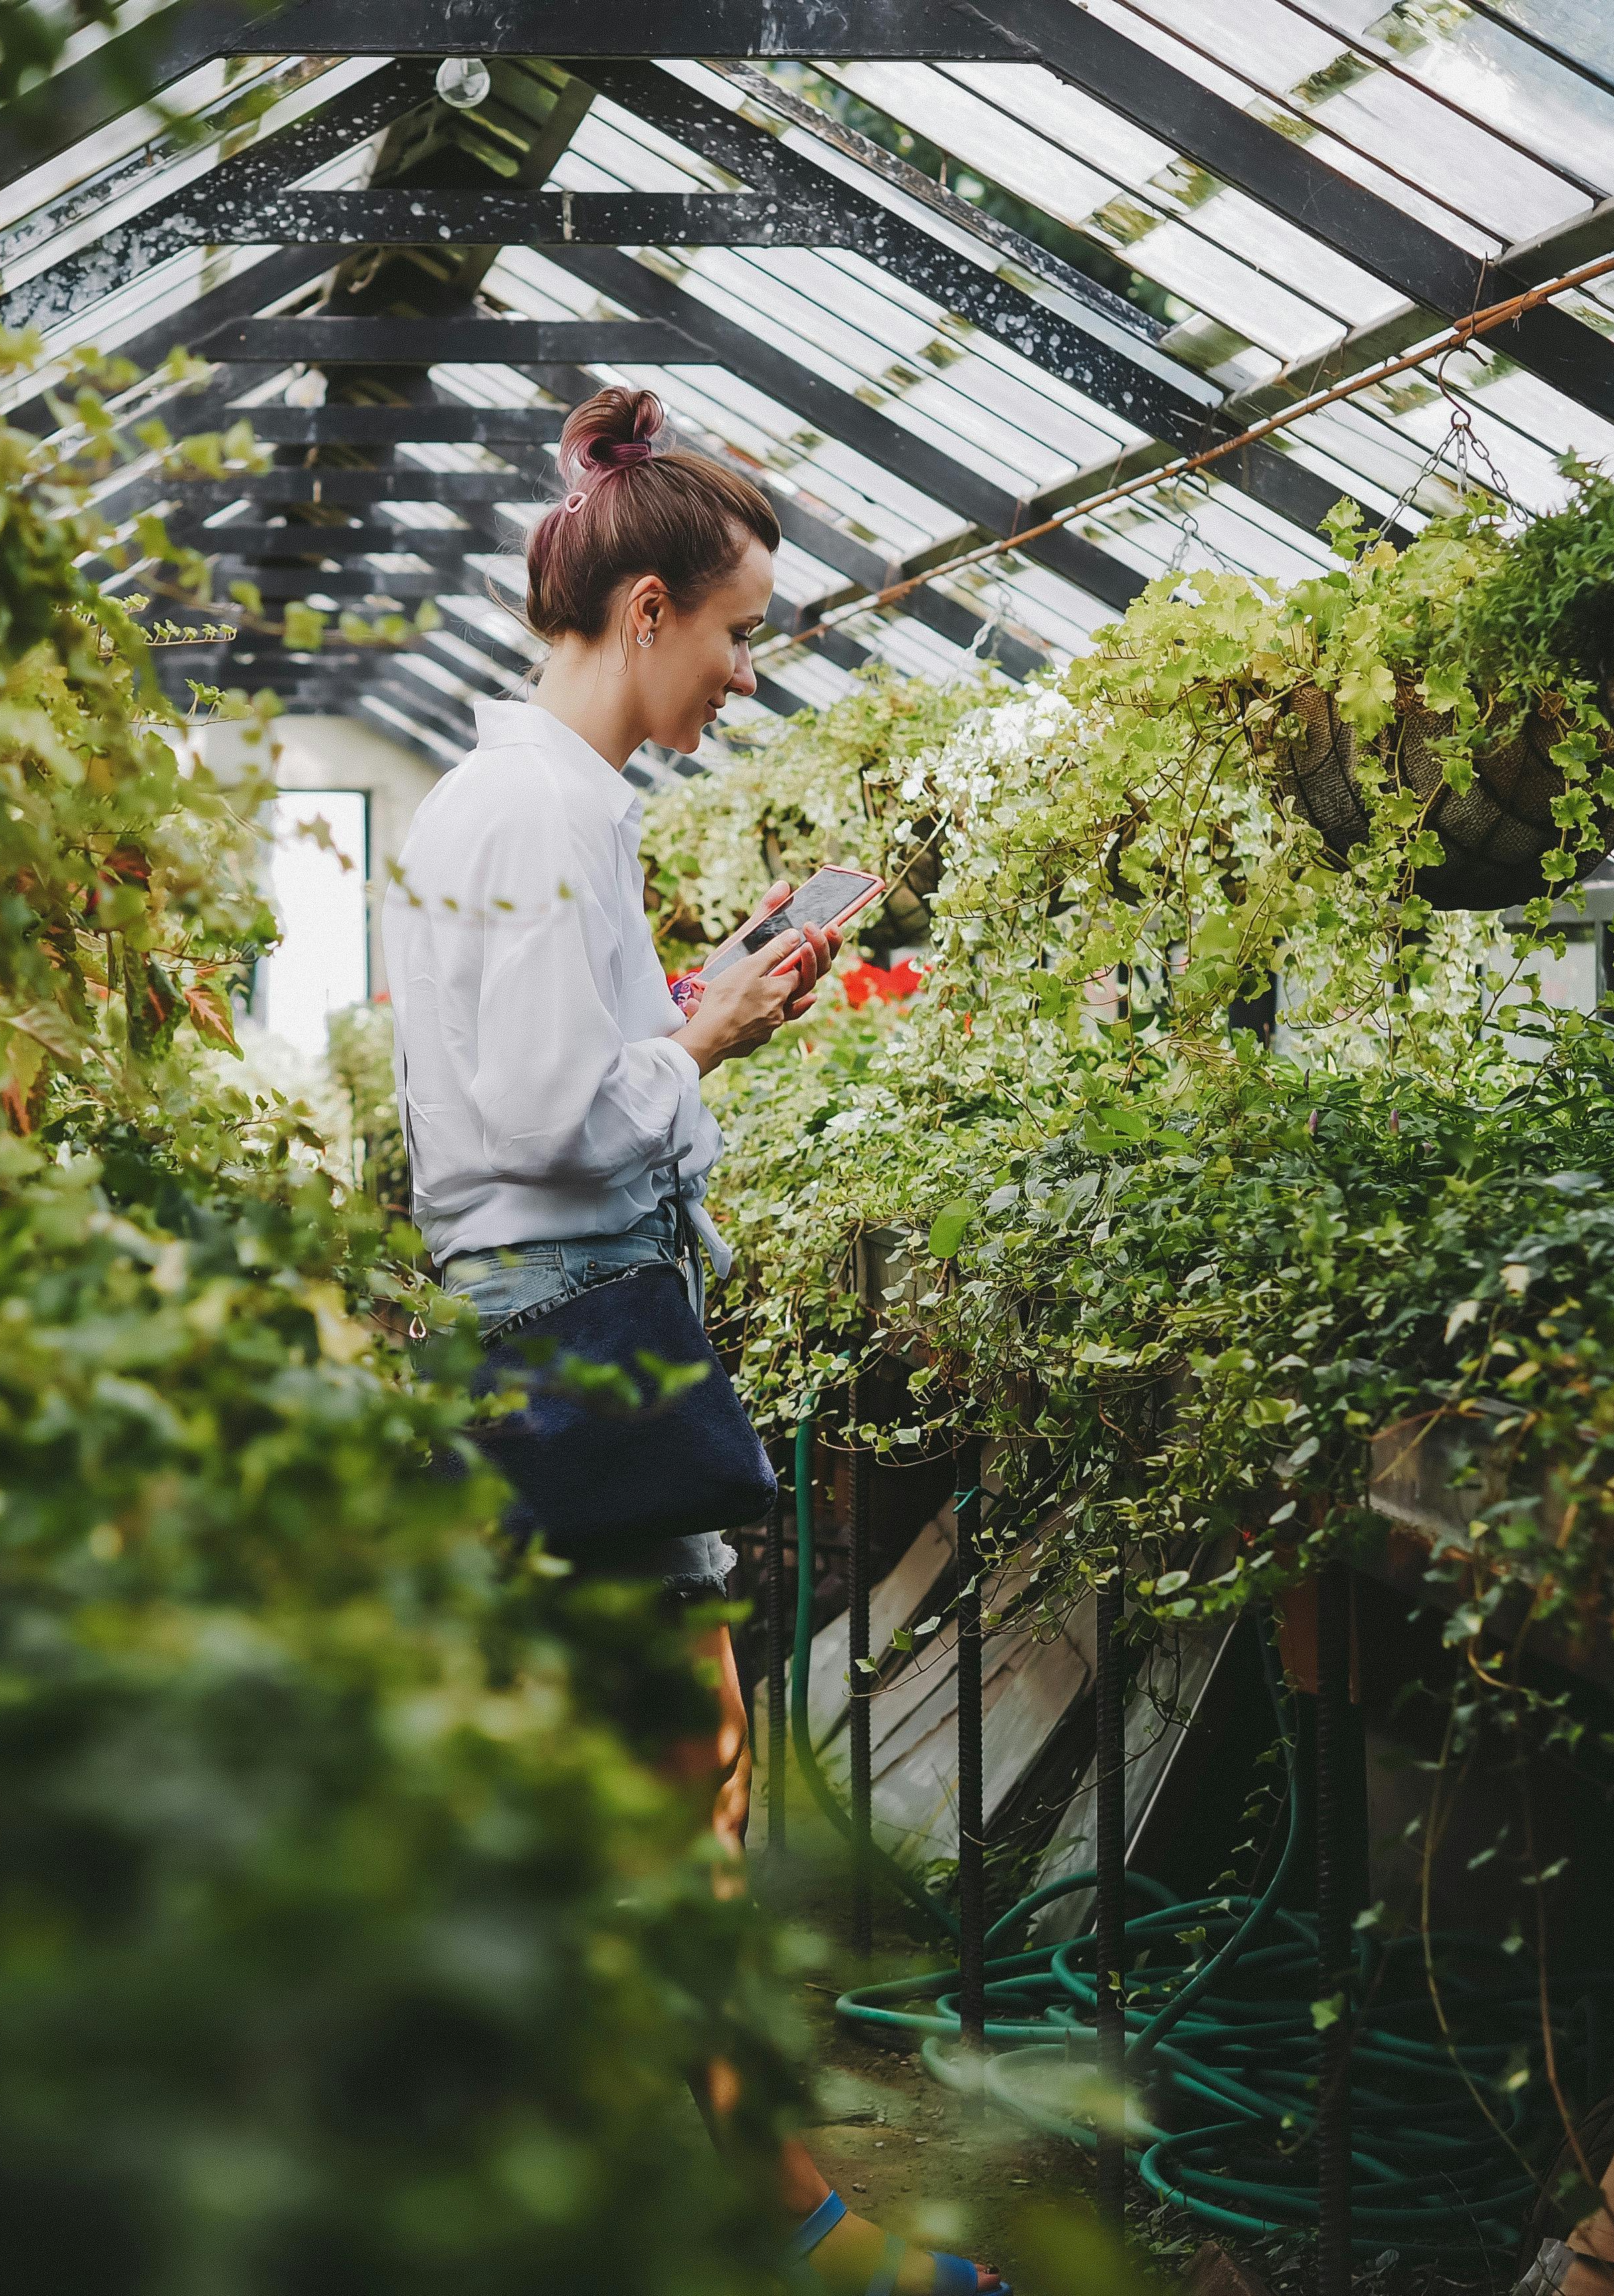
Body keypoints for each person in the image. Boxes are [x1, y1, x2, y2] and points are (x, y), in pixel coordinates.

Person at [383, 387, 1002, 2296]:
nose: (746, 674)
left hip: (537, 1341)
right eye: (739, 632)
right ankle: (790, 2228)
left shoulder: (496, 801)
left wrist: (688, 1015)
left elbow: (516, 1087)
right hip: (591, 1353)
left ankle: (603, 2191)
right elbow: (558, 1112)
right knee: (686, 1794)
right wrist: (708, 1036)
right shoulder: (553, 808)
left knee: (601, 1804)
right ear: (644, 610)